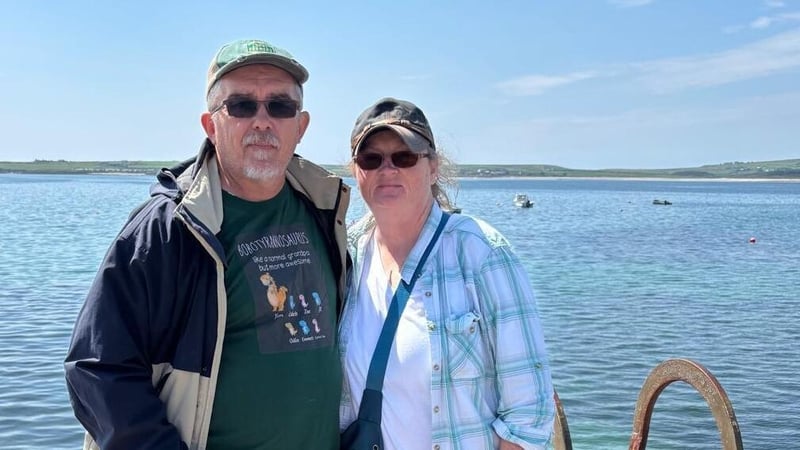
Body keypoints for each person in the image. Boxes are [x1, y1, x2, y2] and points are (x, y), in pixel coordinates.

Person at [64, 39, 350, 450]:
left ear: (301, 126)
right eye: (241, 106)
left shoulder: (325, 211)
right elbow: (96, 368)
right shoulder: (165, 230)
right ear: (210, 125)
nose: (263, 121)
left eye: (280, 106)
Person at [339, 98, 555, 450]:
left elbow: (527, 414)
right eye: (371, 159)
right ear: (356, 170)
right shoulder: (348, 253)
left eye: (404, 157)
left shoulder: (481, 252)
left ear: (433, 167)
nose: (387, 169)